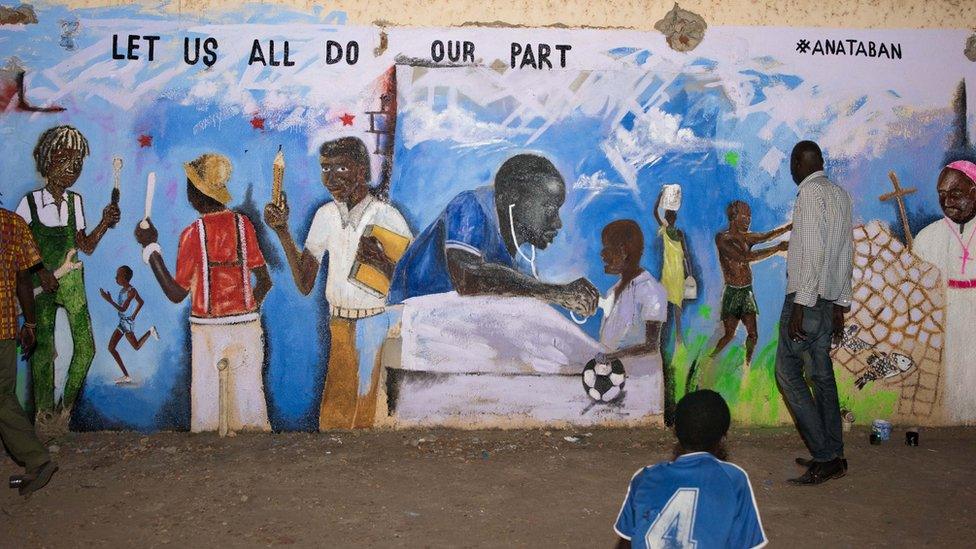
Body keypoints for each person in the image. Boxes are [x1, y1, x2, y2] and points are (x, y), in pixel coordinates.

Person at [264, 137, 411, 430]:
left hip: (376, 324)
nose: (330, 178)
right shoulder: (326, 216)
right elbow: (306, 282)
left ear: (361, 172)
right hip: (339, 325)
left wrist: (382, 261)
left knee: (368, 414)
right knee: (335, 414)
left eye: (341, 168)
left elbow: (410, 283)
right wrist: (282, 232)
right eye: (325, 168)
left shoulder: (386, 217)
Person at [135, 153, 272, 433]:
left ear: (195, 193)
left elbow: (175, 294)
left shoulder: (192, 235)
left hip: (207, 328)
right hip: (246, 325)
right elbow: (265, 281)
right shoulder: (243, 226)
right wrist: (247, 308)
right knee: (250, 409)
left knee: (208, 415)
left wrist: (151, 249)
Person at [387, 153, 598, 317]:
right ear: (513, 198)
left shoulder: (521, 262)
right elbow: (467, 278)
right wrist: (556, 293)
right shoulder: (469, 206)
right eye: (550, 209)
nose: (557, 223)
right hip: (408, 317)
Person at [16, 125, 120, 433]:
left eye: (77, 162)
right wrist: (40, 271)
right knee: (43, 347)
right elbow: (20, 245)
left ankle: (65, 411)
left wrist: (104, 222)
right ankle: (44, 415)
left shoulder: (75, 202)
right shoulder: (31, 203)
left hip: (71, 279)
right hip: (42, 283)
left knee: (86, 347)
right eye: (64, 159)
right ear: (47, 160)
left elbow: (85, 245)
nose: (71, 169)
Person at [776, 141, 853, 485]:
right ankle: (834, 453)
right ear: (820, 161)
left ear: (797, 163)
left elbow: (813, 252)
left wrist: (800, 303)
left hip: (806, 301)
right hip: (828, 301)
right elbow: (845, 253)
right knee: (822, 376)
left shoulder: (808, 194)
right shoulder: (839, 195)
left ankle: (824, 456)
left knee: (788, 375)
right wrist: (840, 303)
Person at [613, 390, 767, 549]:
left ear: (675, 432)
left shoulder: (644, 477)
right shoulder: (734, 479)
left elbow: (625, 543)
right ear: (723, 436)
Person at [0, 206, 59, 496]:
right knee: (2, 396)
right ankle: (37, 460)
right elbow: (24, 279)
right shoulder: (13, 223)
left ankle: (37, 459)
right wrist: (30, 324)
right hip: (4, 327)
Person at [913, 160, 976, 424]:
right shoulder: (926, 238)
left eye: (956, 194)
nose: (947, 201)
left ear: (974, 191)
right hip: (943, 316)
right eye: (942, 194)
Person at [594, 220, 667, 413]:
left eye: (607, 249)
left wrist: (611, 357)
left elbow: (651, 346)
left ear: (624, 250)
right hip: (612, 381)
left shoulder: (651, 290)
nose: (602, 255)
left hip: (642, 384)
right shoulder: (613, 291)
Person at [711, 201, 791, 366]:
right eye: (744, 216)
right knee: (729, 335)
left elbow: (766, 236)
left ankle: (747, 364)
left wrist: (788, 228)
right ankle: (710, 359)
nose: (748, 220)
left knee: (753, 335)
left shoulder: (746, 237)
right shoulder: (723, 238)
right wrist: (777, 248)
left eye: (749, 216)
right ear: (734, 217)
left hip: (746, 292)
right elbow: (745, 257)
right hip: (732, 293)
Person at [98, 265, 158, 384]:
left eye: (118, 276)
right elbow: (140, 302)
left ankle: (150, 331)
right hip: (123, 322)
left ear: (125, 278)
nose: (116, 278)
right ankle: (126, 376)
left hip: (126, 323)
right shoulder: (123, 290)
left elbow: (123, 309)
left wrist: (109, 300)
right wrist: (134, 314)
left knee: (135, 347)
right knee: (112, 348)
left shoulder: (131, 291)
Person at [653, 189, 692, 346]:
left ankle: (675, 339)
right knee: (672, 306)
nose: (671, 218)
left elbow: (686, 255)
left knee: (673, 306)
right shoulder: (668, 230)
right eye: (670, 215)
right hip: (672, 273)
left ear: (672, 218)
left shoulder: (673, 232)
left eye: (671, 216)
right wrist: (660, 196)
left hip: (674, 273)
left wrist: (689, 274)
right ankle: (673, 339)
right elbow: (686, 255)